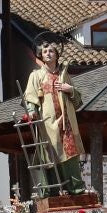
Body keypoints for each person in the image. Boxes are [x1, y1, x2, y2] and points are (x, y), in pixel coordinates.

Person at [23, 41, 86, 194]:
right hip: (48, 123)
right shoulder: (36, 75)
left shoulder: (64, 75)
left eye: (51, 51)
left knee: (70, 154)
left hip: (66, 122)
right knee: (50, 155)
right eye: (45, 52)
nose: (48, 54)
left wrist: (70, 89)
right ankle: (50, 192)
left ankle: (75, 189)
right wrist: (31, 110)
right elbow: (30, 98)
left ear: (57, 55)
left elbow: (78, 102)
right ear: (41, 56)